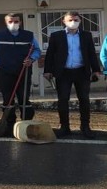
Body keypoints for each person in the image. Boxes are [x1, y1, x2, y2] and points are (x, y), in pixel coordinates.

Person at [43, 11, 102, 139]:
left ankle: (85, 127)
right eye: (70, 20)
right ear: (64, 21)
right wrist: (47, 70)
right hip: (63, 72)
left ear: (80, 21)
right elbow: (50, 54)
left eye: (76, 20)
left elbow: (92, 53)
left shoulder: (86, 35)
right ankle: (64, 127)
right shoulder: (56, 36)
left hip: (82, 71)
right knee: (63, 100)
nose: (73, 22)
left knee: (84, 100)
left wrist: (96, 69)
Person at [0, 13, 42, 134]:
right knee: (7, 100)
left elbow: (37, 50)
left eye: (16, 21)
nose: (13, 24)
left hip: (24, 71)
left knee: (24, 98)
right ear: (6, 23)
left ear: (20, 22)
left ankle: (26, 123)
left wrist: (31, 59)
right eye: (10, 22)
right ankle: (9, 124)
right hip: (5, 73)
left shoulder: (28, 35)